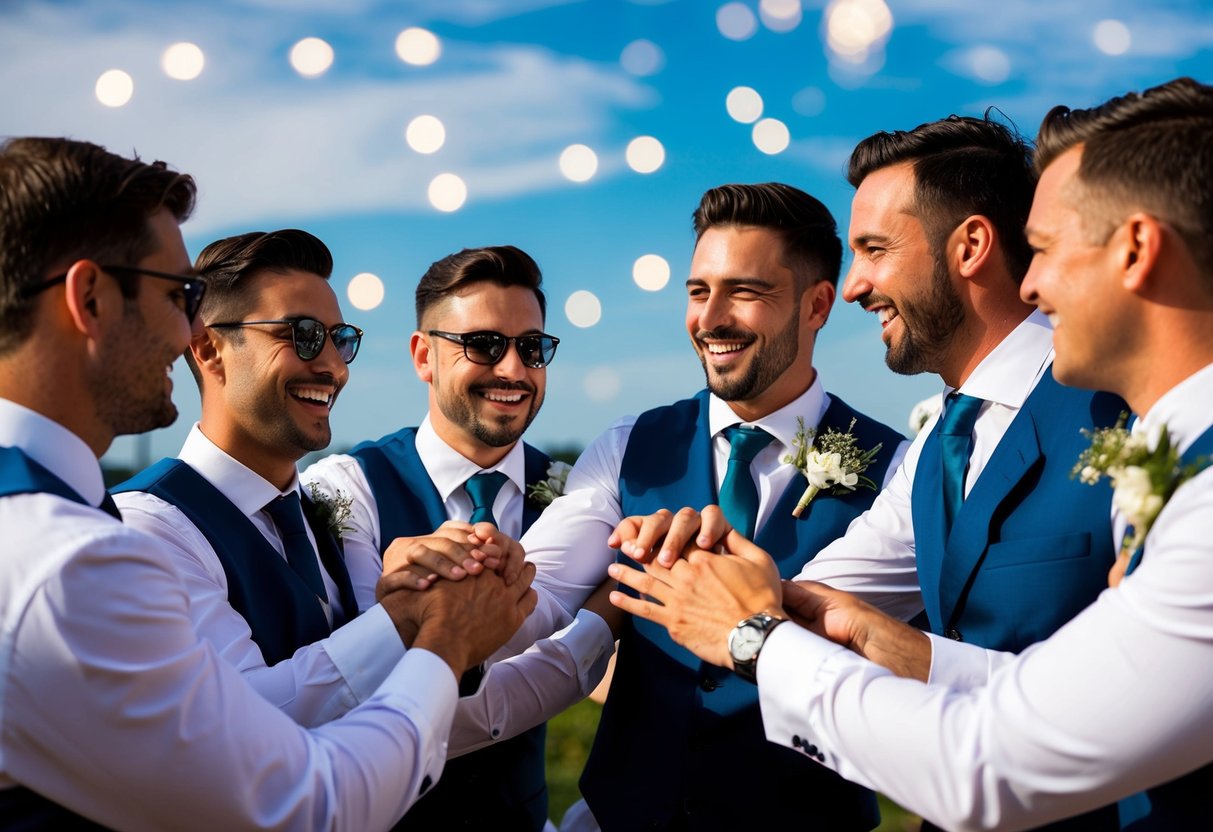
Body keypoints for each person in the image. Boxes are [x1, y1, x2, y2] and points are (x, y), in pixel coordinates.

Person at [607, 77, 1213, 831]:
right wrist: (741, 581)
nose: (1032, 283)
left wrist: (752, 634)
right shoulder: (933, 443)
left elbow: (993, 760)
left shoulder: (1142, 424)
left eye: (873, 249)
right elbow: (1040, 684)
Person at [0, 136, 534, 830]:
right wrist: (442, 641)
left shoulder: (315, 510)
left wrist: (400, 612)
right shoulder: (80, 555)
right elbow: (299, 804)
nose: (335, 368)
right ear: (91, 299)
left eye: (341, 341)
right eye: (178, 295)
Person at [502, 182, 907, 831]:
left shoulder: (897, 471)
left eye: (743, 292)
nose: (709, 318)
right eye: (697, 291)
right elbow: (538, 591)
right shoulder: (625, 446)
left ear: (818, 304)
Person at [304, 245, 615, 831]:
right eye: (485, 345)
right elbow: (360, 683)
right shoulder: (343, 490)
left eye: (532, 348)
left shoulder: (570, 497)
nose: (514, 371)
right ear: (424, 355)